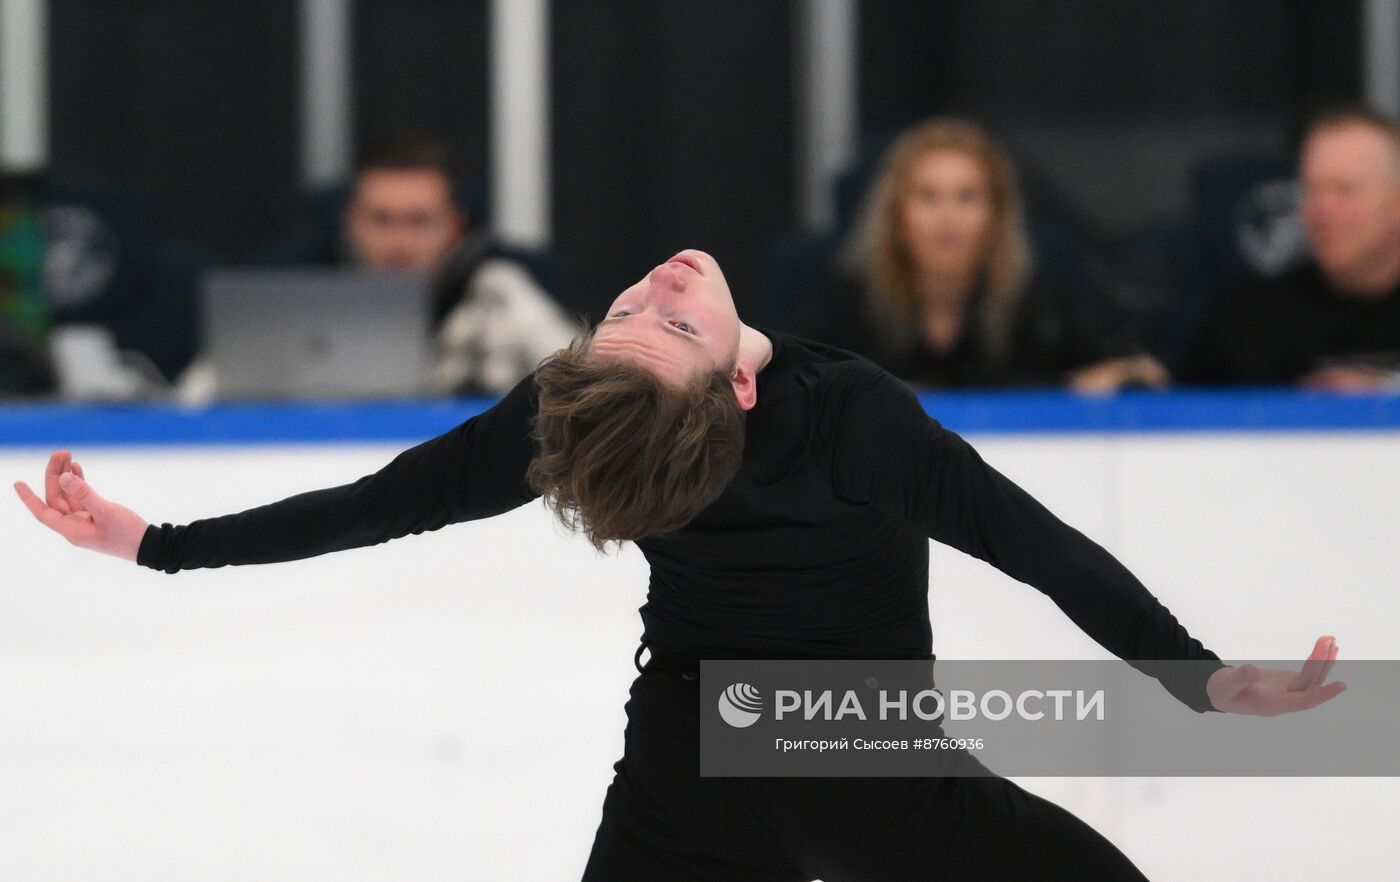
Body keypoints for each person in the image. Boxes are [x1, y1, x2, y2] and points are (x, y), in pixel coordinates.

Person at [16, 248, 1344, 880]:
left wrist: (152, 545)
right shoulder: (848, 418)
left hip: (718, 759)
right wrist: (1204, 685)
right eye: (656, 316)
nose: (655, 287)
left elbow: (384, 504)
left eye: (634, 311)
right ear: (737, 394)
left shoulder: (585, 412)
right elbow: (1040, 546)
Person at [176, 136, 578, 402]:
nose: (399, 242)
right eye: (382, 220)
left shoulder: (499, 292)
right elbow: (189, 404)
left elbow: (584, 387)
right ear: (350, 221)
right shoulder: (295, 296)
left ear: (454, 226)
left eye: (419, 221)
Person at [799, 117, 1169, 392]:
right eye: (928, 196)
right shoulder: (847, 301)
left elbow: (1139, 373)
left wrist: (1083, 386)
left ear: (996, 215)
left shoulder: (1043, 301)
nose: (948, 218)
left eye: (967, 197)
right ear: (896, 214)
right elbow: (798, 386)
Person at [1185, 108, 1400, 388]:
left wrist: (1382, 395)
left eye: (1344, 190)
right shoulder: (1248, 321)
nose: (1322, 209)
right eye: (1311, 189)